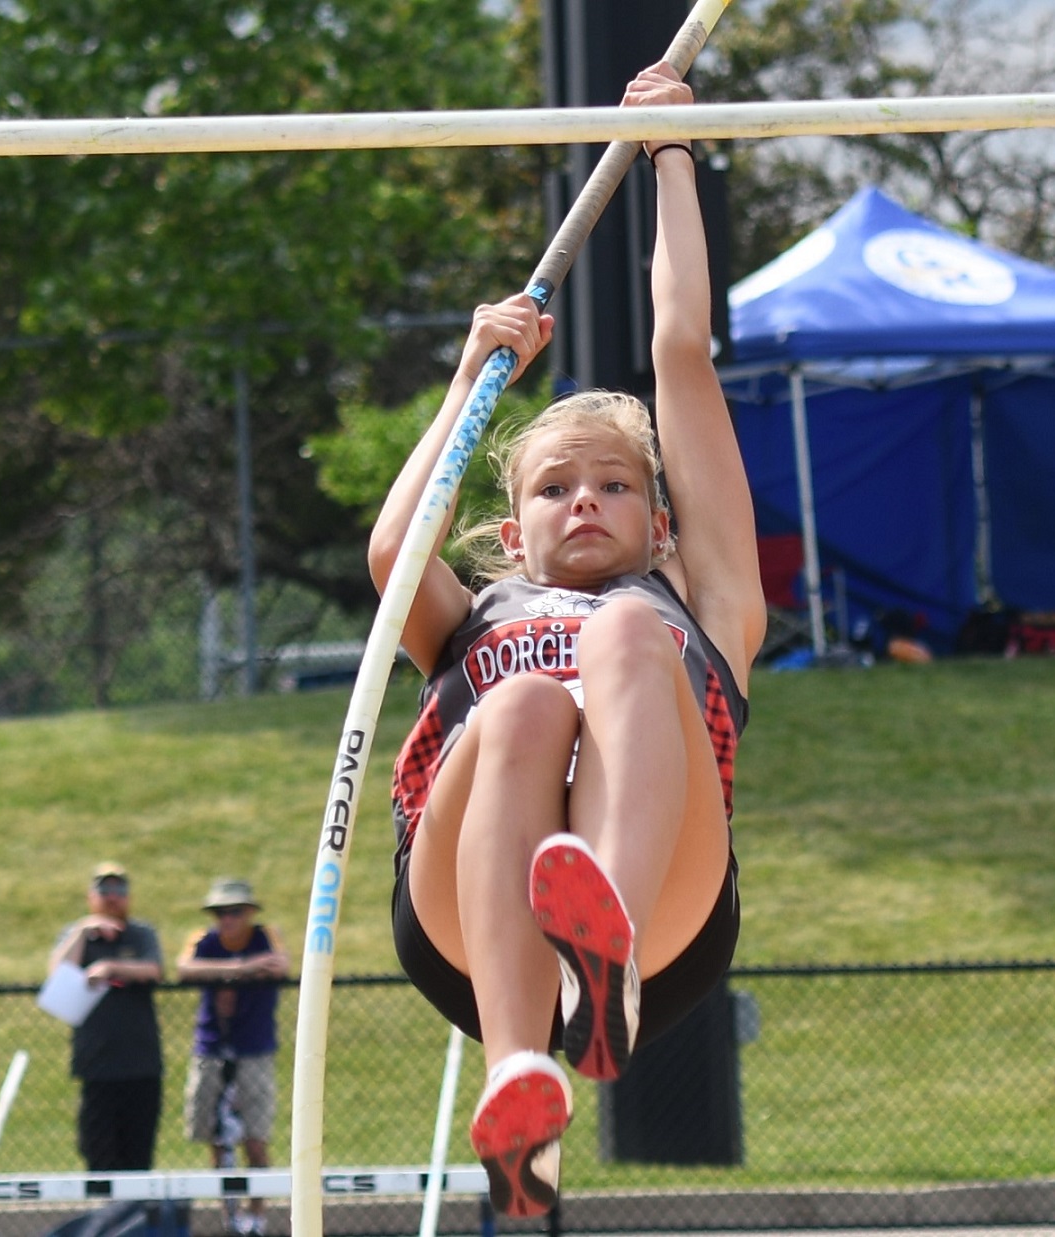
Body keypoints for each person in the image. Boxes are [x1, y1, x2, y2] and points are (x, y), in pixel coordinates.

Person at [368, 62, 765, 1220]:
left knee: (632, 637)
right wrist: (467, 381)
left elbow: (680, 348)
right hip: (465, 913)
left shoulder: (705, 607)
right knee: (523, 708)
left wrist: (673, 158)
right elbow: (397, 558)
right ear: (512, 528)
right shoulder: (475, 613)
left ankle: (608, 954)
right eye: (555, 489)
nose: (584, 502)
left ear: (658, 517)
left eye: (613, 485)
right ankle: (518, 1080)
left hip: (671, 917)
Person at [177, 878, 288, 1236]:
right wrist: (240, 971)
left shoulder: (266, 935)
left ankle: (257, 1216)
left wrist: (226, 970)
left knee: (255, 1139)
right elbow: (185, 969)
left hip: (254, 1049)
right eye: (221, 913)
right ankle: (229, 1216)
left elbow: (278, 965)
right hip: (211, 1049)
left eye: (235, 912)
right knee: (215, 1138)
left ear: (249, 913)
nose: (228, 920)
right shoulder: (203, 940)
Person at [48, 861, 164, 1172]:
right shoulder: (79, 937)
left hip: (140, 1064)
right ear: (91, 896)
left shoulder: (140, 934)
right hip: (97, 1064)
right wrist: (82, 932)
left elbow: (154, 969)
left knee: (137, 1152)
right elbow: (58, 975)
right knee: (97, 1148)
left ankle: (135, 1218)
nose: (112, 897)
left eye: (119, 890)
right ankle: (105, 1218)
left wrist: (111, 968)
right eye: (104, 890)